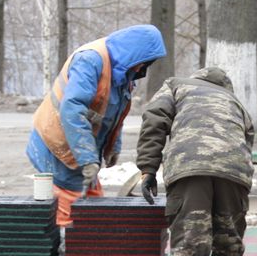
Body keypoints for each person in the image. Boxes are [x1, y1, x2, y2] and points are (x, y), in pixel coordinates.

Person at [136, 67, 255, 256]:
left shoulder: (176, 85)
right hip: (233, 170)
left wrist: (148, 169)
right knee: (229, 241)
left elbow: (154, 121)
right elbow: (248, 140)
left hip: (189, 167)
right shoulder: (234, 101)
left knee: (191, 242)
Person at [26, 24, 167, 227]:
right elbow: (72, 110)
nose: (140, 69)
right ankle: (67, 243)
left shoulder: (123, 72)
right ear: (132, 55)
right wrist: (88, 159)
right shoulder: (90, 60)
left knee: (93, 207)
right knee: (72, 211)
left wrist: (113, 147)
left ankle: (84, 240)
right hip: (58, 146)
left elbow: (114, 113)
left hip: (79, 147)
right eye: (141, 63)